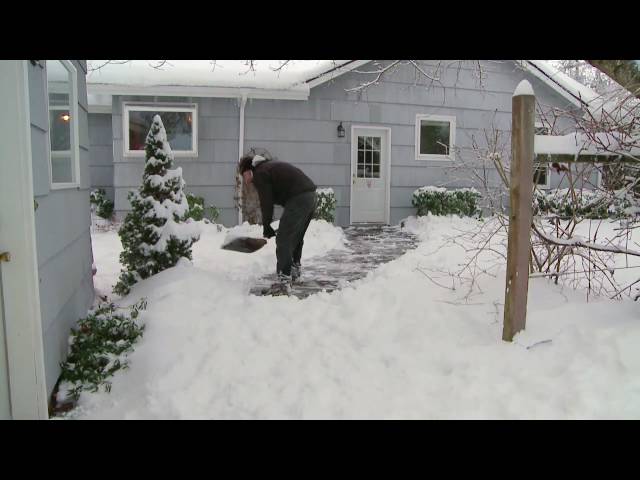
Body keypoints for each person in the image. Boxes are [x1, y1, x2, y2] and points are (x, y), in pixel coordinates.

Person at [239, 153, 317, 294]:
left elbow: (266, 202)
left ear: (248, 171)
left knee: (283, 238)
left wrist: (267, 225)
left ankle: (284, 281)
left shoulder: (260, 174)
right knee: (296, 235)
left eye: (243, 176)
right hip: (310, 197)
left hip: (299, 198)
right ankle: (294, 270)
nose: (245, 181)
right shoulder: (269, 168)